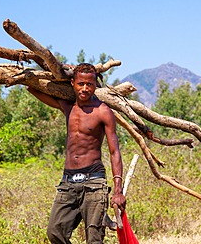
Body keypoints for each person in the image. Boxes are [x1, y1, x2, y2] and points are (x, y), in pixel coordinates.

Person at [26, 63, 126, 243]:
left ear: (96, 85)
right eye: (81, 83)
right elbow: (30, 86)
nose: (85, 88)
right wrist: (57, 68)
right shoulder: (67, 107)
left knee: (94, 240)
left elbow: (114, 152)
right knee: (54, 232)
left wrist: (118, 189)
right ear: (72, 82)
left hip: (94, 182)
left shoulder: (103, 112)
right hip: (67, 182)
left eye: (90, 84)